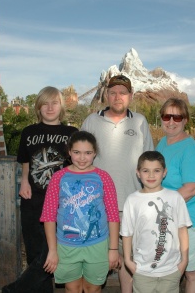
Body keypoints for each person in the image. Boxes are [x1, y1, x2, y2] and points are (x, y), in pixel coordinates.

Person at [81, 74, 154, 292]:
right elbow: (79, 158)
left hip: (132, 204)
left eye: (122, 92)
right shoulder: (91, 121)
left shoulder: (140, 121)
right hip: (97, 205)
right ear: (106, 95)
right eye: (112, 92)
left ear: (130, 96)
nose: (117, 96)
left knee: (129, 258)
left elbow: (149, 162)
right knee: (93, 257)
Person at [2, 86, 78, 293]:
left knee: (52, 251)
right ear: (38, 107)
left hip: (62, 201)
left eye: (54, 103)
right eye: (45, 103)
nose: (50, 107)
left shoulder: (71, 133)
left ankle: (16, 289)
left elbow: (78, 164)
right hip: (33, 198)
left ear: (61, 107)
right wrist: (24, 181)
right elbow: (26, 161)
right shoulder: (29, 132)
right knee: (36, 251)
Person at [41, 130, 120, 293]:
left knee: (93, 288)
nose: (82, 158)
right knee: (72, 288)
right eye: (77, 152)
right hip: (66, 245)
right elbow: (49, 216)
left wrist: (113, 250)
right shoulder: (58, 178)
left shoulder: (103, 177)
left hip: (97, 245)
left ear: (95, 153)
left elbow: (113, 215)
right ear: (69, 152)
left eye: (88, 153)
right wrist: (53, 250)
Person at [155, 98, 195, 293]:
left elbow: (191, 188)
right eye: (167, 116)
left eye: (177, 117)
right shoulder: (163, 143)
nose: (171, 121)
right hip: (170, 218)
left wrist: (161, 206)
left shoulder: (192, 150)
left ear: (185, 120)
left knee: (192, 271)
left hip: (192, 220)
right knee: (171, 268)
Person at [120, 151, 192, 293]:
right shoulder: (132, 200)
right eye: (146, 171)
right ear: (138, 173)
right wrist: (128, 261)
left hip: (171, 269)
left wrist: (184, 260)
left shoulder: (175, 197)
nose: (151, 175)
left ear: (164, 172)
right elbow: (127, 233)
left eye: (156, 171)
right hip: (142, 270)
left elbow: (182, 229)